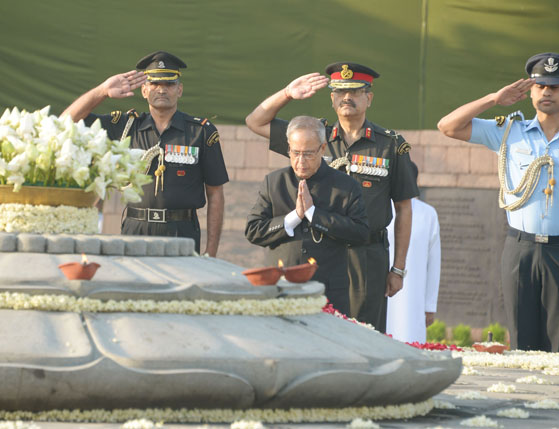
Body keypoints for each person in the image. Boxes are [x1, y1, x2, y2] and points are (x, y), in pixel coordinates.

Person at [437, 52, 559, 352]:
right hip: (520, 249)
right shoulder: (509, 131)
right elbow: (447, 126)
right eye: (540, 86)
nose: (547, 92)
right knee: (521, 341)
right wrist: (494, 99)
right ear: (530, 91)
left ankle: (553, 400)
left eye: (555, 86)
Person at [245, 63, 419, 332]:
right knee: (315, 330)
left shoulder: (390, 145)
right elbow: (255, 122)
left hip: (366, 255)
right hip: (319, 253)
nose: (346, 98)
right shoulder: (313, 136)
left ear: (369, 98)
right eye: (339, 91)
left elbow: (404, 208)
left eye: (355, 92)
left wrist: (398, 268)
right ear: (332, 98)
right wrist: (287, 94)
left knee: (364, 334)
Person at [62, 51, 228, 256]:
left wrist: (211, 253)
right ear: (144, 90)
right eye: (155, 84)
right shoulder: (126, 126)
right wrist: (102, 91)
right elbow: (66, 123)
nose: (161, 90)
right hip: (136, 228)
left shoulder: (201, 132)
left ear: (180, 90)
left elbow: (215, 193)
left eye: (168, 84)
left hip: (181, 232)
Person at [245, 116, 369, 315]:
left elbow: (360, 233)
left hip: (328, 291)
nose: (300, 162)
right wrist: (293, 217)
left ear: (322, 148)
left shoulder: (346, 186)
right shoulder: (274, 182)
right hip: (282, 289)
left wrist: (314, 214)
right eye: (295, 153)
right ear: (288, 148)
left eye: (308, 154)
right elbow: (253, 230)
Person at [386, 163, 441, 343]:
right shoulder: (379, 208)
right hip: (381, 292)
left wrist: (429, 305)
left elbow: (434, 263)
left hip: (413, 299)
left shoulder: (428, 214)